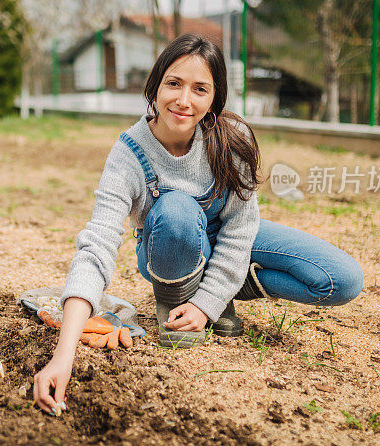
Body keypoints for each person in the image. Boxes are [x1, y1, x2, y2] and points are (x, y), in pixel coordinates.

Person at [33, 34, 363, 415]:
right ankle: (175, 300)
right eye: (174, 83)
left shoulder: (231, 139)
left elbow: (240, 227)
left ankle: (210, 295)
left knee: (341, 279)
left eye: (200, 89)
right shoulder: (128, 154)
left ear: (214, 99)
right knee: (175, 210)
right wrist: (64, 356)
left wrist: (208, 304)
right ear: (155, 85)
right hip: (166, 247)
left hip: (224, 241)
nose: (184, 101)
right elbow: (98, 246)